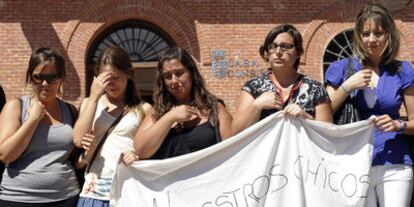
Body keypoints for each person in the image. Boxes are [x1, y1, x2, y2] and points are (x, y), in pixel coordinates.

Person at [325, 4, 414, 207]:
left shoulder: (403, 71)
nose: (371, 39)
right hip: (353, 162)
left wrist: (398, 125)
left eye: (378, 33)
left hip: (394, 161)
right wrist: (347, 86)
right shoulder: (341, 69)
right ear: (358, 36)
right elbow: (323, 115)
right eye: (365, 33)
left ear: (389, 35)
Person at [0, 48, 80, 206]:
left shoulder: (70, 110)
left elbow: (74, 157)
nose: (45, 84)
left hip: (66, 196)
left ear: (61, 78)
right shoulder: (16, 107)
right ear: (30, 78)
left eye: (52, 77)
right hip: (19, 198)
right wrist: (32, 120)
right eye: (38, 77)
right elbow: (5, 155)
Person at [73, 47, 151, 207]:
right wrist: (94, 96)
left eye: (116, 77)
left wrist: (137, 155)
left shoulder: (145, 109)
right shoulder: (89, 103)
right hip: (94, 191)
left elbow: (149, 149)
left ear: (128, 74)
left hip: (128, 191)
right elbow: (77, 139)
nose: (111, 84)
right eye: (105, 78)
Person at [231, 24, 332, 135]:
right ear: (267, 52)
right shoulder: (253, 87)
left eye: (285, 46)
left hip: (302, 152)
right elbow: (235, 134)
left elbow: (328, 136)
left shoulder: (315, 89)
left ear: (298, 53)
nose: (278, 52)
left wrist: (306, 118)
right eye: (273, 46)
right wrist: (257, 105)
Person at [134, 47, 232, 159]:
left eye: (179, 73)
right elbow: (140, 150)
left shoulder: (215, 109)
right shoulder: (158, 112)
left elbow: (232, 151)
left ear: (191, 73)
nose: (174, 81)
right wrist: (170, 117)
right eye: (167, 76)